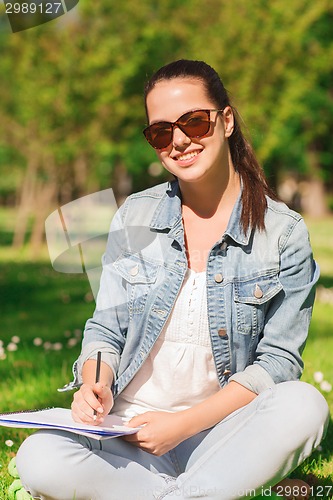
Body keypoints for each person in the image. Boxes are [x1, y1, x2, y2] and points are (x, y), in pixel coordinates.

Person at [16, 59, 329, 500]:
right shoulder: (136, 215)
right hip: (128, 436)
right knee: (38, 457)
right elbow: (105, 330)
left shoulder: (282, 231)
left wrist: (182, 426)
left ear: (226, 121)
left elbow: (278, 362)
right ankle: (194, 493)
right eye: (161, 131)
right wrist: (95, 380)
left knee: (305, 404)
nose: (179, 140)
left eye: (194, 122)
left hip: (221, 437)